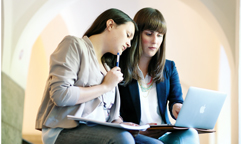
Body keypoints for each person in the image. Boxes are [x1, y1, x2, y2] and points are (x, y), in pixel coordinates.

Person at [35, 8, 163, 144]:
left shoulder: (108, 68)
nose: (129, 44)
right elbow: (60, 95)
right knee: (122, 139)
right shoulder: (74, 45)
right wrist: (105, 86)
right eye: (128, 35)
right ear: (110, 25)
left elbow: (111, 116)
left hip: (99, 130)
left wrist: (125, 125)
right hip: (64, 129)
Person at [118, 7, 200, 144]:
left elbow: (176, 100)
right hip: (135, 134)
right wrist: (138, 130)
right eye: (149, 34)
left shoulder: (169, 67)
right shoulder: (120, 67)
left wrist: (177, 108)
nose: (155, 41)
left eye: (160, 35)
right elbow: (114, 112)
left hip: (163, 132)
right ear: (137, 34)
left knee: (191, 134)